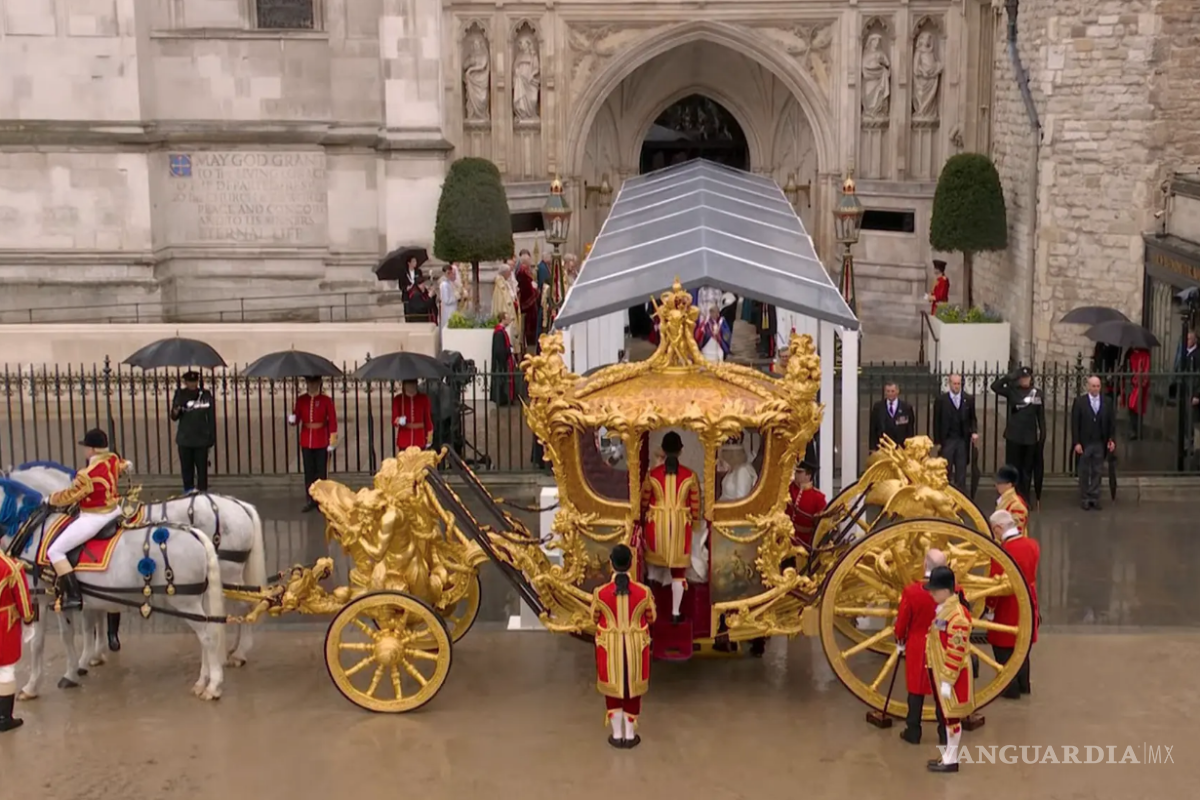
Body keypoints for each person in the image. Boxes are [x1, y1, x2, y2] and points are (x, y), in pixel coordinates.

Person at [45, 429, 131, 611]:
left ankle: (74, 596)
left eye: (86, 447)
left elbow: (69, 496)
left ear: (92, 449)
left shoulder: (87, 474)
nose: (84, 451)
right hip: (114, 510)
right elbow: (123, 465)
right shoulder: (113, 459)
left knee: (55, 551)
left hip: (95, 517)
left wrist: (49, 499)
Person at [593, 543, 656, 749]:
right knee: (632, 689)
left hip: (609, 646)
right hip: (635, 647)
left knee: (613, 689)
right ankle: (629, 735)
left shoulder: (600, 593)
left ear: (611, 564)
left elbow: (594, 617)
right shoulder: (643, 592)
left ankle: (616, 733)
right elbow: (652, 617)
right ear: (631, 564)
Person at [639, 431, 700, 623]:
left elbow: (644, 501)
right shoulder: (690, 476)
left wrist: (642, 518)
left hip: (656, 524)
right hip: (681, 526)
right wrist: (695, 522)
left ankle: (650, 607)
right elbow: (695, 505)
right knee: (678, 571)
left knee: (651, 566)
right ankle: (675, 612)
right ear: (681, 451)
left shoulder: (652, 475)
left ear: (663, 451)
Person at [923, 564, 975, 773]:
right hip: (941, 672)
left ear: (946, 590)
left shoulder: (956, 617)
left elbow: (956, 651)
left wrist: (947, 679)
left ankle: (951, 758)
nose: (932, 594)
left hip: (950, 675)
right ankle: (948, 755)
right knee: (947, 717)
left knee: (951, 717)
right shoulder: (948, 610)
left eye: (935, 590)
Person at [985, 509, 1040, 699]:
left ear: (999, 528)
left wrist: (990, 609)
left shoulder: (1002, 552)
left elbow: (995, 585)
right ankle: (1024, 685)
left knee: (1004, 648)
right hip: (1029, 599)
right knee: (1023, 647)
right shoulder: (1032, 544)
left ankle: (1011, 689)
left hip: (1008, 605)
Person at [895, 548, 947, 745]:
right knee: (942, 690)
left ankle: (913, 731)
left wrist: (899, 639)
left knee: (915, 690)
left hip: (919, 644)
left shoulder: (912, 592)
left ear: (925, 564)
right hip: (942, 643)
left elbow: (902, 622)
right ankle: (943, 733)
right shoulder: (955, 591)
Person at [991, 366, 1045, 502]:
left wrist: (1042, 435)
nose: (1025, 380)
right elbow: (995, 387)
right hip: (1014, 435)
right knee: (1013, 468)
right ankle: (1011, 496)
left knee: (1027, 470)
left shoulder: (1037, 393)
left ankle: (1024, 497)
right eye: (1022, 378)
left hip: (1030, 436)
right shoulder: (1012, 390)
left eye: (1027, 378)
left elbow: (1040, 416)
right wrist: (1009, 377)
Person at [289, 377, 338, 513]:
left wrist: (332, 440)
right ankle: (310, 499)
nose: (312, 385)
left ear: (319, 384)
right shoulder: (301, 400)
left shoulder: (326, 400)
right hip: (306, 439)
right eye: (310, 383)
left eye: (315, 383)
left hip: (321, 439)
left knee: (321, 472)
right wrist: (292, 419)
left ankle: (321, 500)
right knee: (309, 472)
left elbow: (332, 420)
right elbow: (297, 418)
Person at [0, 551, 35, 732]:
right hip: (4, 622)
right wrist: (28, 619)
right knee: (5, 669)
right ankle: (4, 718)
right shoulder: (12, 567)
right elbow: (23, 599)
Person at [1071, 375, 1116, 510]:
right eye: (1093, 386)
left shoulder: (1107, 402)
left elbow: (1111, 423)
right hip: (1085, 442)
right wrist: (1076, 442)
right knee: (1084, 471)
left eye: (1098, 386)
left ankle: (1094, 497)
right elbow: (1075, 424)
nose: (1095, 389)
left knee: (1097, 470)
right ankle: (1085, 497)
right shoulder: (1080, 402)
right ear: (1088, 386)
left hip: (1099, 441)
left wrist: (1111, 439)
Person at [170, 371, 216, 494]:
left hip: (201, 439)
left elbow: (211, 416)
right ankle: (188, 493)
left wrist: (211, 437)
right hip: (185, 438)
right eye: (190, 382)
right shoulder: (180, 394)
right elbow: (174, 416)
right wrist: (176, 409)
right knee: (187, 470)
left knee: (202, 470)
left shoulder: (205, 394)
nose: (192, 384)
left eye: (194, 381)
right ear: (185, 382)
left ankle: (202, 494)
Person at [932, 374, 978, 492]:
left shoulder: (968, 399)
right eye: (954, 383)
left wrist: (974, 432)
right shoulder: (941, 400)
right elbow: (936, 421)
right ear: (949, 384)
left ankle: (960, 494)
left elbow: (972, 418)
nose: (956, 386)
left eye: (958, 384)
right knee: (946, 468)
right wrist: (937, 441)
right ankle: (946, 493)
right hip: (947, 440)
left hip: (962, 439)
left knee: (961, 468)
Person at [785, 460, 827, 554]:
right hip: (787, 539)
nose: (796, 474)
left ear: (808, 475)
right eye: (796, 471)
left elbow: (822, 525)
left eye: (799, 472)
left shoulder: (818, 497)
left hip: (806, 542)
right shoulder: (789, 489)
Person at [869, 382, 916, 451]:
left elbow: (910, 429)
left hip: (901, 447)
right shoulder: (878, 407)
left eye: (892, 391)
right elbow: (873, 428)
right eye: (888, 391)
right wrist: (872, 447)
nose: (890, 393)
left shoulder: (906, 407)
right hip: (883, 447)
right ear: (885, 392)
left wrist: (909, 446)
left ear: (897, 391)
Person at [392, 379, 433, 451]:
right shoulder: (398, 399)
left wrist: (429, 438)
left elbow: (428, 420)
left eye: (413, 383)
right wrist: (399, 420)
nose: (411, 386)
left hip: (419, 439)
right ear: (404, 385)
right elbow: (394, 421)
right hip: (404, 440)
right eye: (409, 383)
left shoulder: (424, 399)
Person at [490, 311, 518, 406]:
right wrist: (509, 351)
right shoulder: (499, 333)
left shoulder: (502, 332)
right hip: (502, 362)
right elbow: (499, 350)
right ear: (503, 319)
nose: (509, 319)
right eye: (507, 318)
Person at [1123, 346, 1151, 440]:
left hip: (1139, 385)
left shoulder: (1145, 355)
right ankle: (1133, 430)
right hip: (1130, 383)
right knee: (1131, 408)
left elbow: (1146, 371)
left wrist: (1141, 382)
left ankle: (1137, 431)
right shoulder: (1130, 354)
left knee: (1137, 408)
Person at [994, 464, 1028, 534]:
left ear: (1009, 484)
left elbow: (1017, 532)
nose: (997, 485)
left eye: (1000, 483)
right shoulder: (1005, 500)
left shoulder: (1016, 504)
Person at [516, 252, 539, 350]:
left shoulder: (526, 271)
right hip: (527, 305)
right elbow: (526, 289)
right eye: (529, 260)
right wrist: (535, 291)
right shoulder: (522, 272)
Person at [438, 264, 458, 340]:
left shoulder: (449, 283)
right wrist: (456, 297)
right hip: (448, 311)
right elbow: (446, 300)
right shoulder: (444, 285)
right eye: (449, 273)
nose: (451, 275)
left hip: (452, 309)